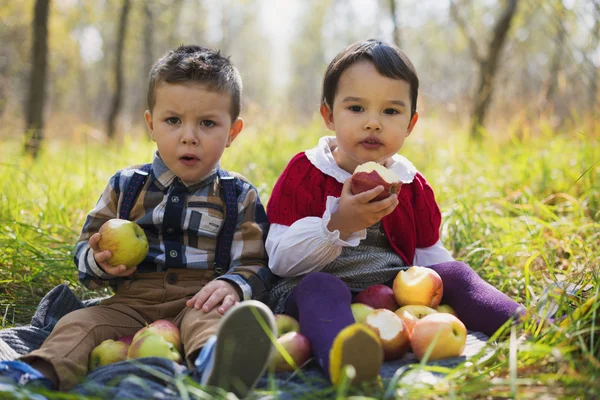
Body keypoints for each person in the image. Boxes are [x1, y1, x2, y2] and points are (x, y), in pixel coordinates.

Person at [0, 45, 276, 399]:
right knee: (78, 324)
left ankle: (216, 368)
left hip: (199, 301)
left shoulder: (239, 195)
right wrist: (99, 262)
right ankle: (34, 375)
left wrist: (233, 286)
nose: (188, 135)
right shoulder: (126, 186)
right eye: (173, 120)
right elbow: (86, 247)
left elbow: (256, 263)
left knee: (212, 325)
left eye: (207, 123)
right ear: (151, 124)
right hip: (130, 303)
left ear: (233, 132)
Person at [265, 39, 525, 386]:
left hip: (393, 295)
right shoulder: (306, 174)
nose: (373, 123)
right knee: (320, 288)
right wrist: (339, 224)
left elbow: (429, 258)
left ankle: (525, 325)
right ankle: (347, 361)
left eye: (390, 111)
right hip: (312, 291)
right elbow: (279, 261)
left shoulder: (411, 184)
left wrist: (442, 289)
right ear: (329, 115)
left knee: (458, 273)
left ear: (410, 124)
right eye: (356, 109)